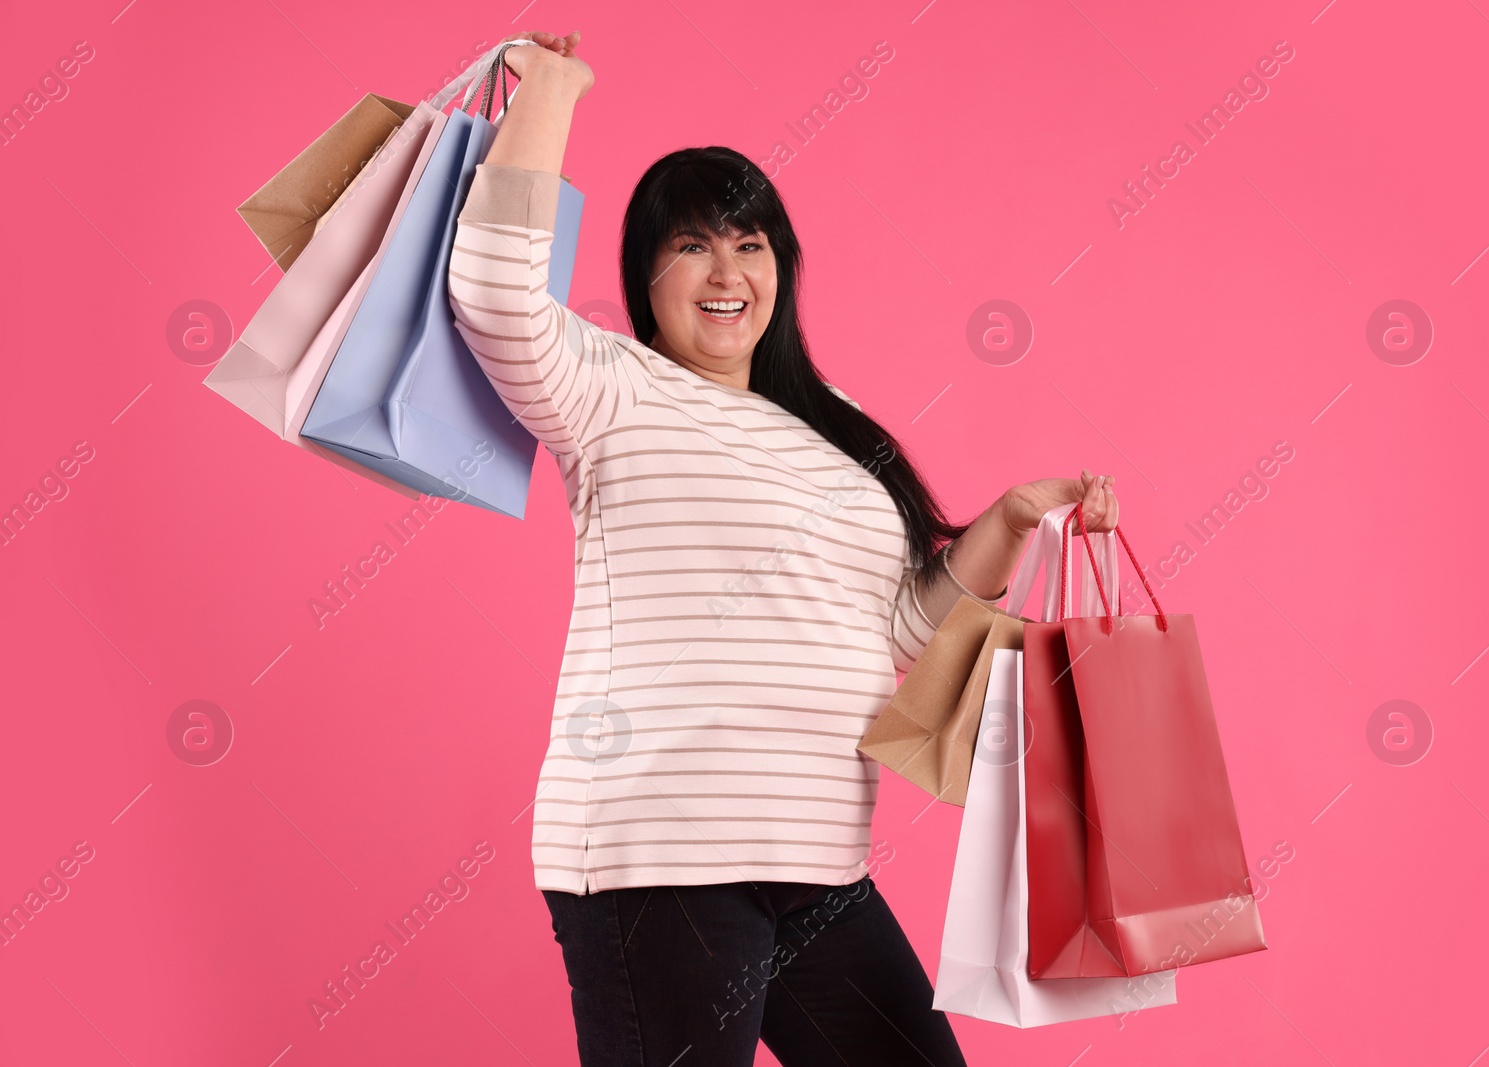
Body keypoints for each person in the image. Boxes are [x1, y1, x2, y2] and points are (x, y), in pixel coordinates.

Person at [446, 29, 1120, 1067]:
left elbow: (902, 628)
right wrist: (553, 94)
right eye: (693, 243)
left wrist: (1012, 520)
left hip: (816, 862)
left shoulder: (833, 423)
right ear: (645, 273)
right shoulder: (609, 388)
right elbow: (491, 291)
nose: (726, 270)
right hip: (661, 860)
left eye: (749, 242)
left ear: (781, 269)